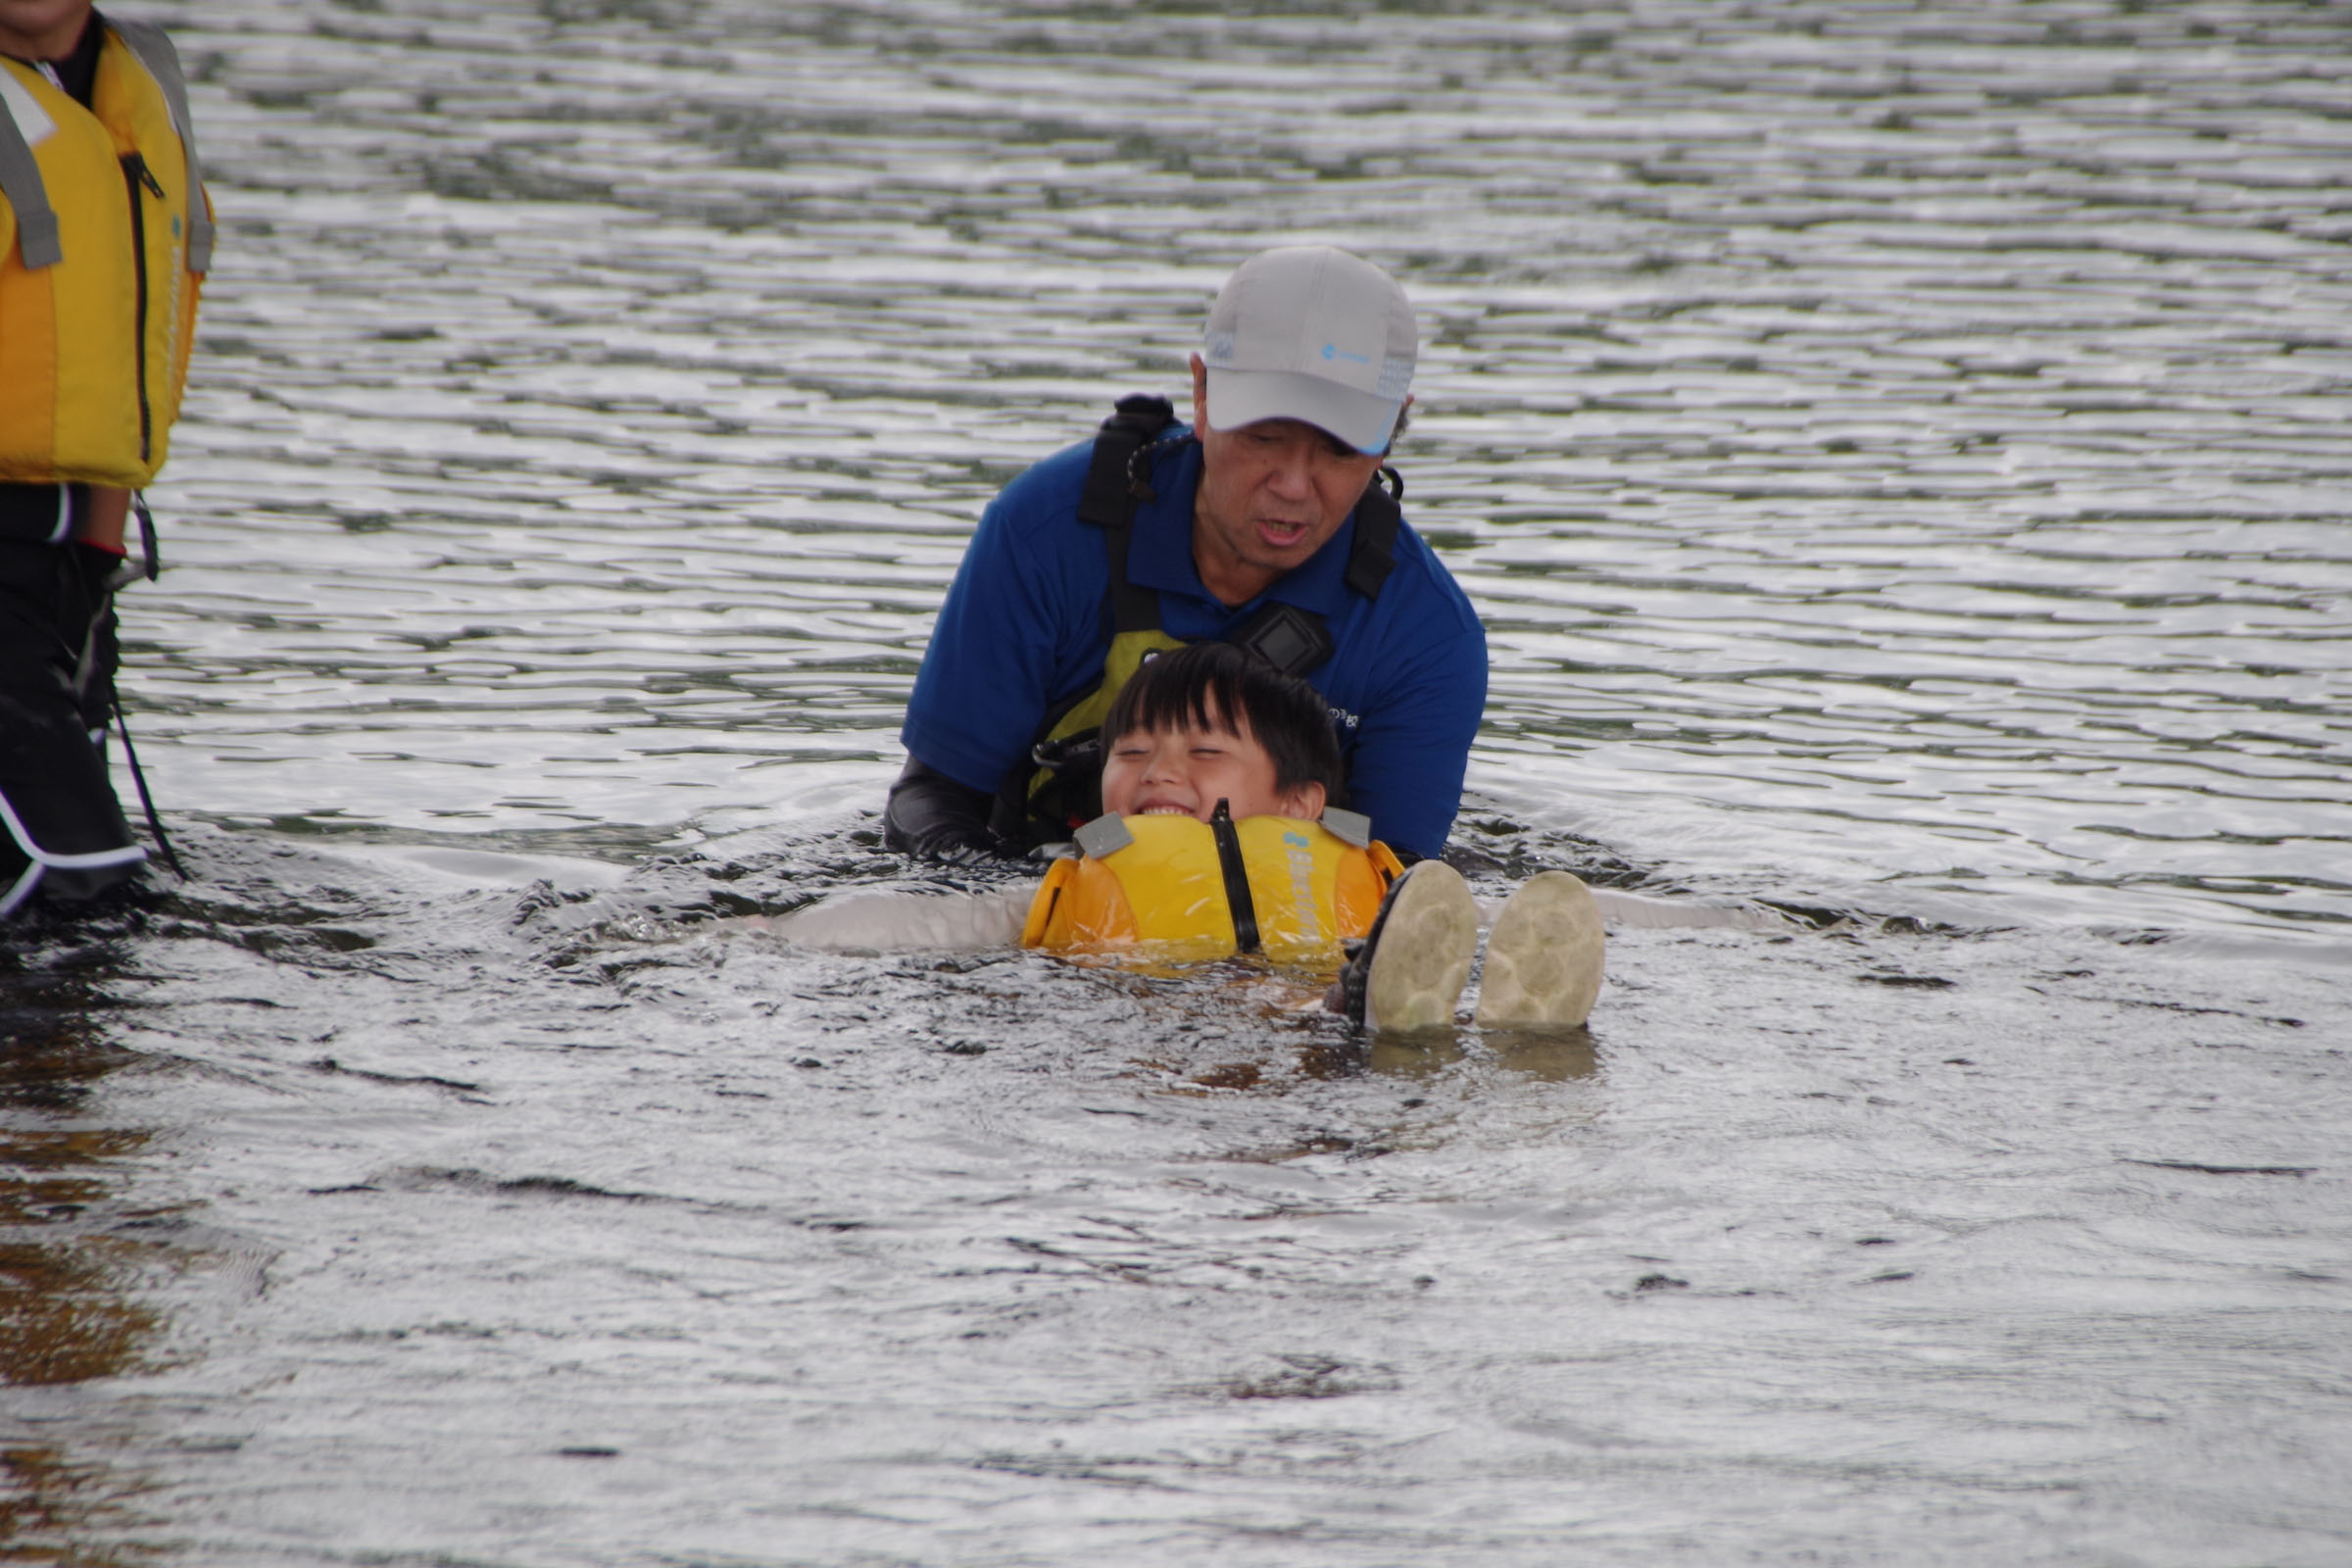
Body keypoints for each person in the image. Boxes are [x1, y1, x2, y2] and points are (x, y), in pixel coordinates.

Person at [884, 244, 1488, 868]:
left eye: (1339, 452)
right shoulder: (1045, 532)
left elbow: (1394, 876)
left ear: (1392, 431)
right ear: (1202, 394)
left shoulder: (1428, 636)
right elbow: (932, 797)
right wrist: (1015, 904)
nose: (1294, 485)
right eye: (1264, 437)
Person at [776, 642, 1605, 1033]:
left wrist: (1731, 920)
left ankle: (1400, 1010)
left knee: (1374, 962)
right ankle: (1384, 1017)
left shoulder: (1374, 887)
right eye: (1130, 753)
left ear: (1300, 805)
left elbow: (1497, 912)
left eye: (1204, 753)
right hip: (1163, 1031)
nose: (1158, 773)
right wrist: (765, 937)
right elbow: (926, 925)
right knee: (1313, 1016)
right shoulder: (1074, 879)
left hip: (1271, 1000)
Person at [0, 0, 212, 916]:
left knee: (92, 907)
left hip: (65, 566)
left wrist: (94, 561)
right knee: (73, 884)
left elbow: (120, 352)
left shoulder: (142, 85)